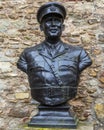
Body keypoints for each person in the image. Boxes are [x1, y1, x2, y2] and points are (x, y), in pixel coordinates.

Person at [17, 2, 92, 106]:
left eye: (57, 21)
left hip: (66, 95)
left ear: (63, 27)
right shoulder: (28, 54)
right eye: (48, 21)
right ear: (41, 27)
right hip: (40, 96)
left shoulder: (79, 53)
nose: (53, 25)